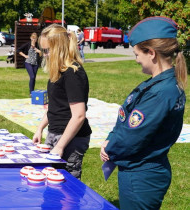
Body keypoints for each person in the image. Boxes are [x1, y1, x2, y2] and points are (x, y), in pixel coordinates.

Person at [100, 17, 187, 210]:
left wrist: (109, 147)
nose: (136, 59)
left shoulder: (161, 92)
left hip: (141, 175)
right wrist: (111, 137)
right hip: (144, 170)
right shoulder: (157, 84)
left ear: (151, 53)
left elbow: (133, 135)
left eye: (137, 54)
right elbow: (127, 119)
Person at [33, 24, 92, 180]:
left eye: (47, 50)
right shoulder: (58, 70)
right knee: (50, 179)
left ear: (59, 48)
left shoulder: (73, 73)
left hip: (71, 138)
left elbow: (79, 116)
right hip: (55, 132)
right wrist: (40, 128)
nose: (44, 55)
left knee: (66, 185)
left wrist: (60, 146)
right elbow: (54, 107)